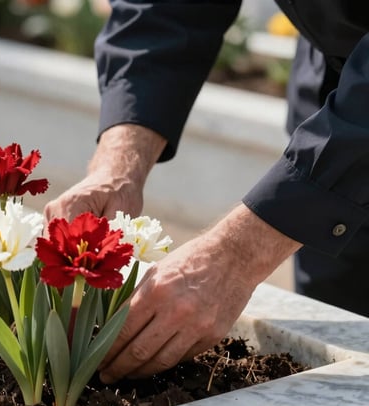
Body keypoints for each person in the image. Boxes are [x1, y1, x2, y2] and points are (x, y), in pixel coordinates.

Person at [43, 1, 369, 383]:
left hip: (350, 127)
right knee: (347, 365)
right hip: (335, 86)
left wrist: (237, 255)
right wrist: (118, 163)